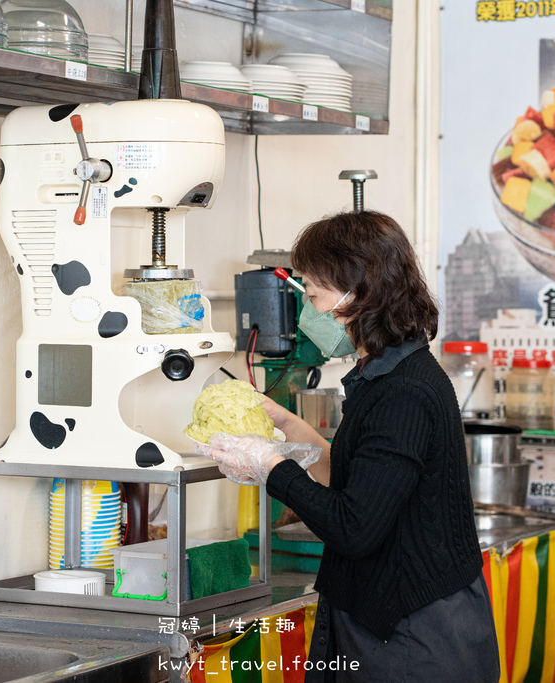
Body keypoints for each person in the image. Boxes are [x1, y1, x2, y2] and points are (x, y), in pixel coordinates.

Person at [196, 211, 500, 683]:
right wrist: (292, 429)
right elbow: (369, 482)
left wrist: (272, 467)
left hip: (413, 637)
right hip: (393, 620)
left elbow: (355, 526)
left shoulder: (404, 392)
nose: (310, 312)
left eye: (314, 296)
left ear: (357, 293)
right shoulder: (389, 374)